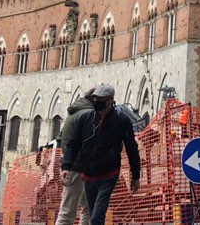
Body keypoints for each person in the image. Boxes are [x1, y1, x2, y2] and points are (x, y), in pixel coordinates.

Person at [60, 83, 141, 225]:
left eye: (101, 100)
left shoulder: (121, 120)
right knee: (92, 215)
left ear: (110, 101)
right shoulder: (85, 119)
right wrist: (66, 166)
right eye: (95, 100)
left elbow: (131, 148)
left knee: (97, 216)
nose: (98, 103)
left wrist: (135, 175)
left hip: (108, 174)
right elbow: (74, 143)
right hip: (88, 174)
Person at [55, 88, 94, 225]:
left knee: (87, 209)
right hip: (78, 167)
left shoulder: (73, 114)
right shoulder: (88, 114)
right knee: (69, 212)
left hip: (74, 166)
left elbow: (59, 139)